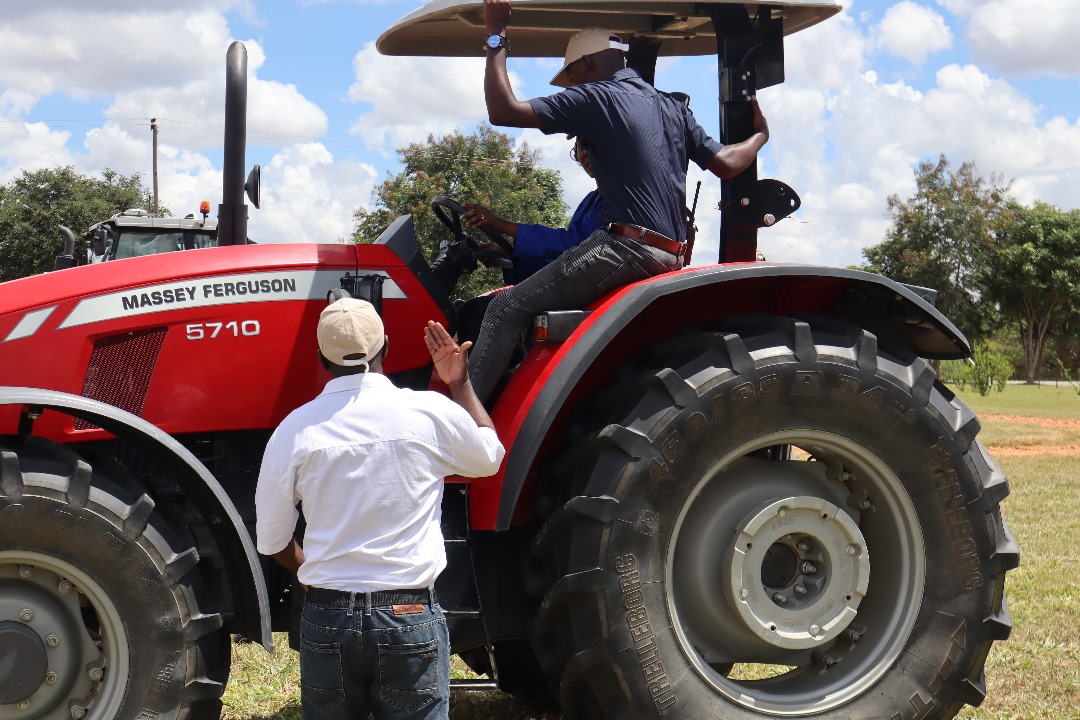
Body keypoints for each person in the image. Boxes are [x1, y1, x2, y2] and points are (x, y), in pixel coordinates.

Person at [469, 0, 770, 402]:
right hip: (669, 254)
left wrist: (496, 34)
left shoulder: (596, 97)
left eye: (571, 76)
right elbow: (728, 163)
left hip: (623, 248)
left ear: (589, 64)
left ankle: (454, 430)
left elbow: (503, 110)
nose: (571, 87)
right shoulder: (671, 106)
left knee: (504, 310)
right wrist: (761, 135)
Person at [254, 298, 505, 720]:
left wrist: (312, 579)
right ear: (384, 347)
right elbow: (489, 458)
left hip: (326, 616)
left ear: (320, 356)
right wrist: (459, 385)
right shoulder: (429, 412)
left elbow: (273, 540)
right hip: (409, 615)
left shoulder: (293, 429)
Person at [461, 135, 605, 285]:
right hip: (577, 284)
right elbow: (564, 259)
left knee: (488, 307)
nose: (585, 153)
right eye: (581, 146)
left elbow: (576, 248)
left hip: (590, 289)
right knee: (473, 306)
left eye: (592, 144)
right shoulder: (591, 200)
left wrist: (502, 225)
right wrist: (509, 258)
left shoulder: (616, 200)